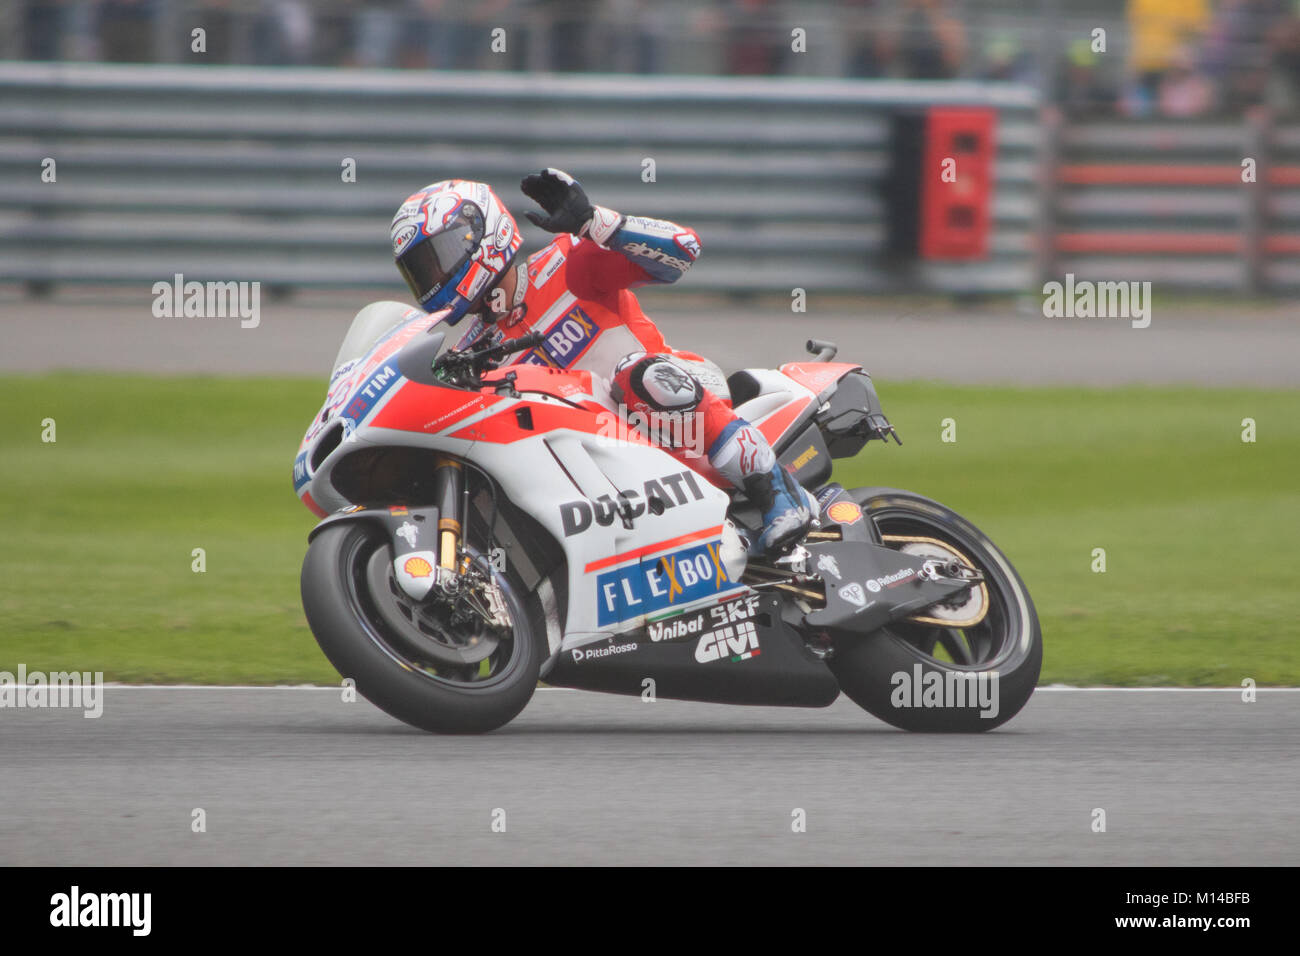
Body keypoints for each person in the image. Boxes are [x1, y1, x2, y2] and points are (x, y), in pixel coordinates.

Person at [388, 171, 814, 554]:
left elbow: (684, 250)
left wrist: (596, 223)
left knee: (637, 375)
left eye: (437, 258)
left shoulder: (566, 263)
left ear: (482, 235)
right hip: (595, 462)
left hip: (666, 407)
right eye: (421, 271)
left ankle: (776, 491)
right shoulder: (471, 351)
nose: (434, 278)